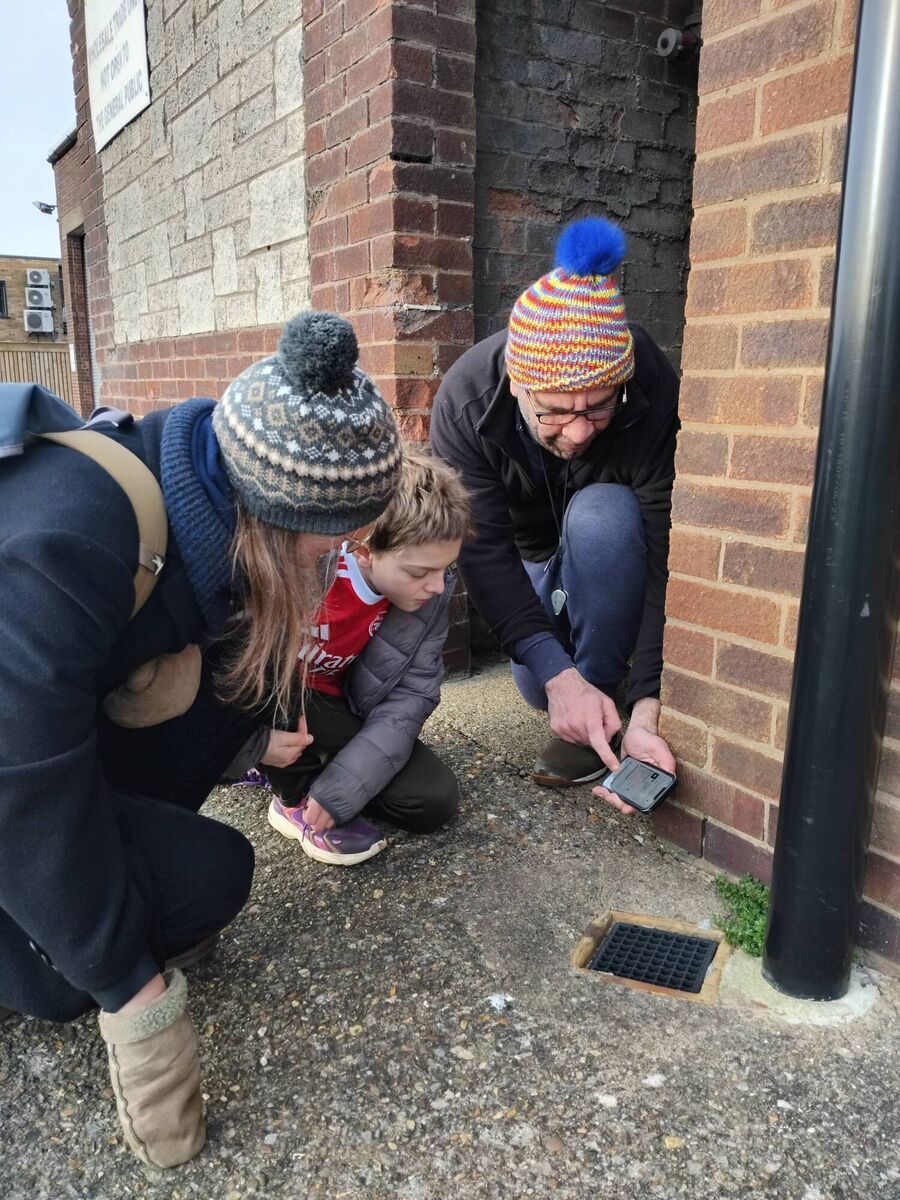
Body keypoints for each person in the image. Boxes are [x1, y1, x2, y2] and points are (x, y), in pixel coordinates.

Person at [0, 311, 402, 1168]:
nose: (342, 559)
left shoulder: (205, 513)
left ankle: (76, 918)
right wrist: (130, 992)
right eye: (335, 540)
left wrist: (252, 740)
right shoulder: (65, 544)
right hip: (9, 774)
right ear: (278, 518)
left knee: (214, 872)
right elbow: (19, 780)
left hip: (40, 749)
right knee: (56, 982)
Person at [430, 216, 679, 811]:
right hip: (530, 555)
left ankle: (600, 697)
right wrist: (552, 673)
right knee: (539, 687)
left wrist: (648, 700)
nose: (577, 432)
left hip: (611, 542)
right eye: (554, 412)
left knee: (604, 514)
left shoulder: (646, 379)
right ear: (518, 384)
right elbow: (483, 550)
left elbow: (667, 545)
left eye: (598, 409)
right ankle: (574, 687)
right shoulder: (465, 400)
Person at [226, 451, 473, 865]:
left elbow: (412, 696)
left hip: (338, 705)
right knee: (280, 677)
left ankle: (306, 778)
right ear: (365, 550)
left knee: (433, 799)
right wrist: (249, 744)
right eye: (419, 572)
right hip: (275, 698)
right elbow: (235, 656)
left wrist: (342, 789)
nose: (435, 586)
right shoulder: (310, 562)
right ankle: (292, 796)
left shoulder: (430, 590)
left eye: (445, 569)